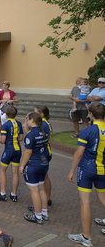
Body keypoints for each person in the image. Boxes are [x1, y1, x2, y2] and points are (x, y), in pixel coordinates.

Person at [67, 102, 105, 247]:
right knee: (103, 198)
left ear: (91, 114)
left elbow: (79, 153)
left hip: (87, 169)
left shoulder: (87, 131)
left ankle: (86, 237)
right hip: (102, 170)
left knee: (85, 203)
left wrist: (71, 170)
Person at [20, 111, 50, 224]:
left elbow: (28, 152)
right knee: (41, 188)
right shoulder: (44, 132)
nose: (26, 121)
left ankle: (37, 216)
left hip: (33, 164)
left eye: (28, 119)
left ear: (32, 121)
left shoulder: (31, 135)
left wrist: (22, 165)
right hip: (44, 163)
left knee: (34, 191)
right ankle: (44, 212)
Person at [0, 106, 23, 203]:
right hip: (18, 149)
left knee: (2, 170)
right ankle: (14, 194)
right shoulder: (19, 123)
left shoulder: (5, 125)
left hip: (9, 150)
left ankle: (3, 193)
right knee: (15, 172)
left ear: (6, 114)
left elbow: (3, 140)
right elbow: (21, 138)